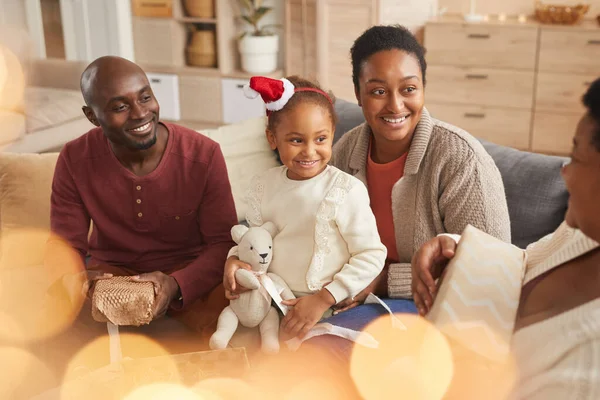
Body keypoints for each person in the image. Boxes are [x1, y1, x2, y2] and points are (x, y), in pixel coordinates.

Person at [412, 77, 600, 399]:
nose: (565, 172)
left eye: (577, 157)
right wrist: (456, 249)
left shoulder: (586, 368)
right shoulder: (579, 233)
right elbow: (519, 263)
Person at [46, 56, 237, 340]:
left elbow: (222, 243)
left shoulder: (203, 154)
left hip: (189, 273)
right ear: (92, 117)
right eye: (120, 107)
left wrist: (175, 285)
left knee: (237, 305)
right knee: (58, 313)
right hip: (112, 275)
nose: (140, 113)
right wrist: (73, 278)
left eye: (145, 97)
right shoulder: (74, 158)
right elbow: (64, 245)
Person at [329, 25, 511, 318]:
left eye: (409, 89)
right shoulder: (345, 151)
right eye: (378, 91)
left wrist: (385, 280)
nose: (395, 105)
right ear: (358, 94)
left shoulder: (460, 157)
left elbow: (494, 273)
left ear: (423, 88)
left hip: (433, 308)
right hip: (350, 295)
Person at [223, 75, 387, 341]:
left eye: (320, 139)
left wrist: (324, 298)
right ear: (272, 138)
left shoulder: (345, 190)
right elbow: (253, 240)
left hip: (328, 307)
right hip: (270, 302)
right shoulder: (263, 186)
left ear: (333, 134)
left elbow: (371, 255)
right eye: (296, 140)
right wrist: (234, 260)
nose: (310, 151)